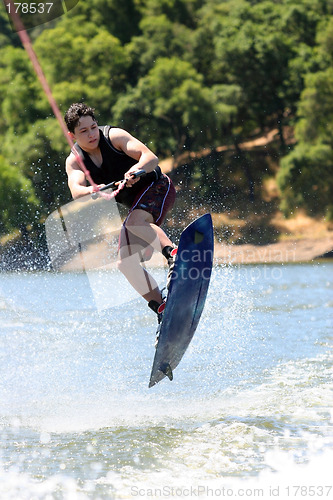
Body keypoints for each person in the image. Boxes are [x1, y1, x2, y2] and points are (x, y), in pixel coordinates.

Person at [64, 102, 177, 327]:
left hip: (157, 187)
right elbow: (77, 191)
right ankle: (162, 309)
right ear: (72, 135)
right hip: (136, 206)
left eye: (93, 127)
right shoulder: (74, 161)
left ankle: (175, 254)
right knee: (125, 263)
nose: (91, 134)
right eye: (83, 131)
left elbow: (150, 157)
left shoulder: (114, 136)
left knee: (135, 221)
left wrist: (137, 169)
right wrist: (92, 190)